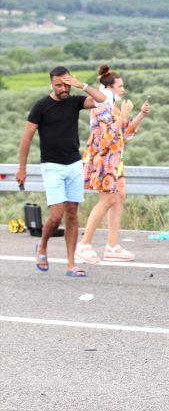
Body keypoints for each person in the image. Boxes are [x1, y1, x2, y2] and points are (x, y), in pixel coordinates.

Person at [15, 66, 106, 277]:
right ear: (51, 85)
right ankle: (42, 246)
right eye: (59, 85)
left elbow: (102, 101)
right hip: (52, 166)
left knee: (72, 214)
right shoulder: (41, 106)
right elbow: (26, 138)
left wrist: (81, 85)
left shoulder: (74, 101)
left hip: (74, 164)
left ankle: (71, 264)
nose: (63, 88)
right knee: (56, 216)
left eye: (66, 83)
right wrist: (22, 168)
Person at [75, 64, 150, 264]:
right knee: (107, 200)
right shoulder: (99, 108)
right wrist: (124, 114)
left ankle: (112, 246)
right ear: (110, 87)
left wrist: (141, 115)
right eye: (120, 86)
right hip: (103, 160)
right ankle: (84, 245)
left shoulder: (112, 107)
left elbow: (125, 132)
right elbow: (107, 139)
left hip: (115, 161)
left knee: (119, 198)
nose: (123, 89)